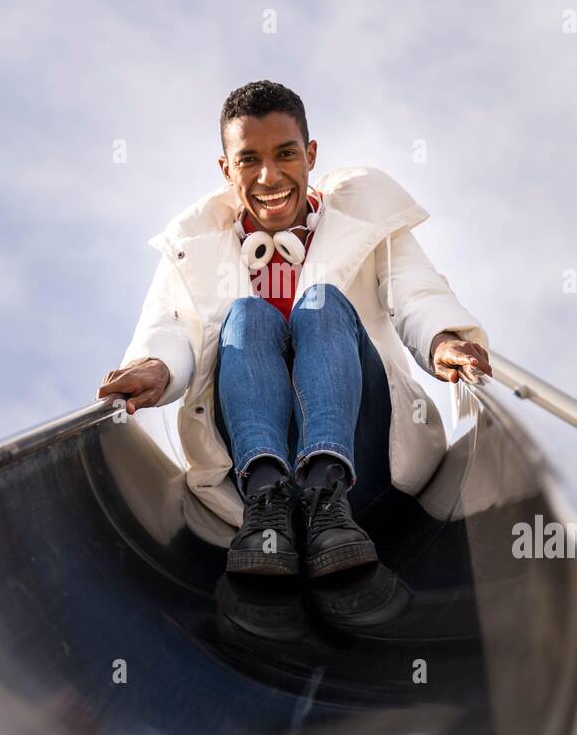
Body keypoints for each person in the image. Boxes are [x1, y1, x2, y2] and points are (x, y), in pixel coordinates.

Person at [97, 80, 491, 580]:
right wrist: (153, 367)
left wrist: (442, 338)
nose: (269, 176)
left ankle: (327, 491)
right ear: (226, 170)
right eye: (248, 160)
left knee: (321, 302)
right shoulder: (194, 246)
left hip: (364, 456)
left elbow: (414, 293)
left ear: (310, 155)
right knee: (247, 315)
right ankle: (269, 502)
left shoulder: (364, 220)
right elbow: (170, 327)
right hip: (248, 471)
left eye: (286, 154)